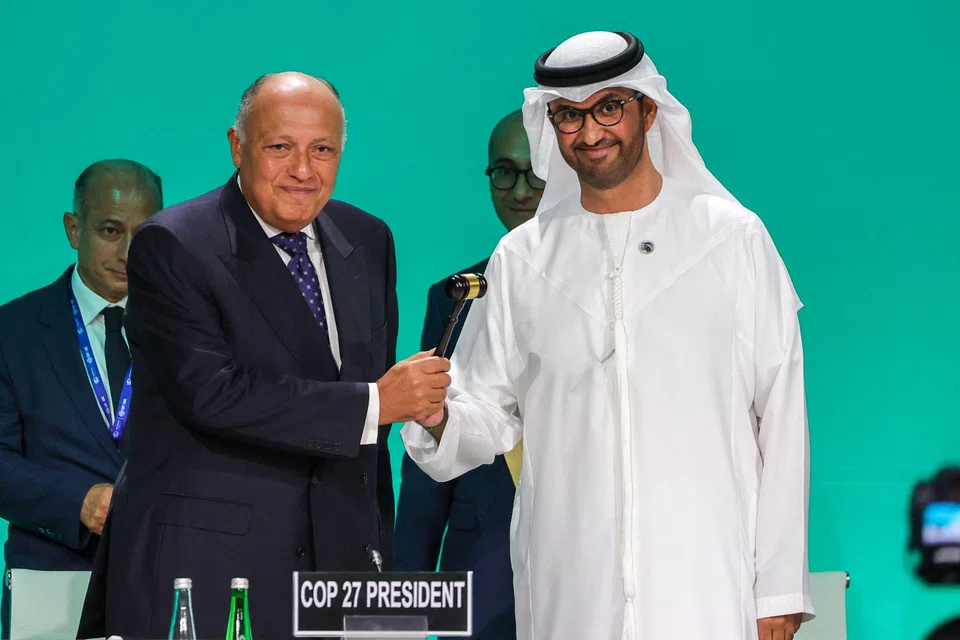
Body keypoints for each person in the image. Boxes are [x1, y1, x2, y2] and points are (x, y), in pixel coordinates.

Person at [402, 31, 813, 640]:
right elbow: (487, 410)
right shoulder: (522, 256)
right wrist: (437, 417)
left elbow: (780, 415)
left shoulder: (732, 239)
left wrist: (777, 587)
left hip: (705, 583)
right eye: (569, 115)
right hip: (569, 587)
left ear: (649, 109)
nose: (590, 132)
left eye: (609, 107)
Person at [78, 72, 450, 640]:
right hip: (213, 568)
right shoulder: (174, 243)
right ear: (237, 146)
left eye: (322, 149)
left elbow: (368, 434)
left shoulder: (368, 238)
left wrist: (381, 579)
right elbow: (213, 393)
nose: (304, 170)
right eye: (280, 147)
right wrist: (376, 403)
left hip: (344, 566)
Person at [394, 110, 543, 639]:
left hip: (589, 561)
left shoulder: (617, 284)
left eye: (536, 170)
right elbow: (426, 453)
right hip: (481, 567)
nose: (520, 189)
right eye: (504, 171)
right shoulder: (455, 296)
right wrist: (400, 605)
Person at [0, 159, 162, 638]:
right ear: (75, 230)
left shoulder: (186, 332)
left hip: (162, 574)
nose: (129, 252)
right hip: (51, 583)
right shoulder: (13, 331)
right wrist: (78, 500)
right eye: (111, 230)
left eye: (145, 232)